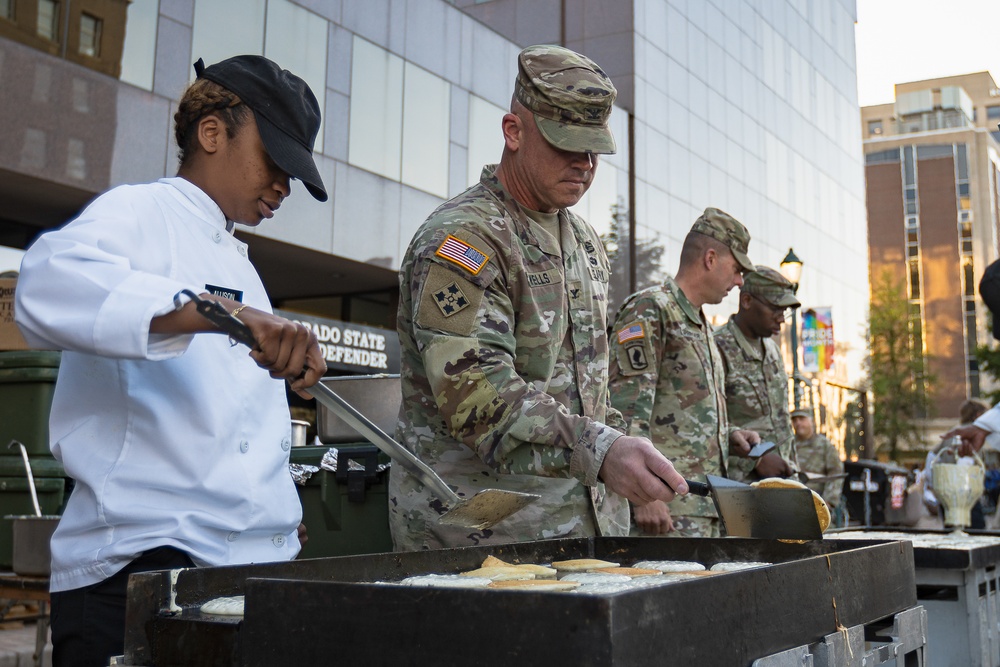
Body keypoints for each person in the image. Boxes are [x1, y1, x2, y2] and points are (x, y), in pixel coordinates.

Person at [15, 55, 328, 666]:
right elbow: (46, 283)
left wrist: (273, 514)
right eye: (276, 162)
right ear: (212, 133)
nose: (283, 187)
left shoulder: (243, 266)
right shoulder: (138, 212)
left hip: (245, 571)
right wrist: (223, 315)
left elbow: (223, 428)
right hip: (141, 568)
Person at [389, 45, 688, 552]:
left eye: (594, 148)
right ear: (513, 131)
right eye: (566, 144)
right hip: (484, 543)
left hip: (585, 534)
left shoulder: (585, 241)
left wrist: (628, 460)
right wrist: (602, 451)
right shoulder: (465, 241)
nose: (584, 164)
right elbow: (477, 400)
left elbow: (592, 390)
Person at [607, 209, 761, 537]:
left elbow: (685, 411)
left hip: (702, 509)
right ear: (710, 258)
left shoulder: (702, 325)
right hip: (663, 513)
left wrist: (728, 434)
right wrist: (642, 497)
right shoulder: (651, 309)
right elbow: (624, 410)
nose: (739, 282)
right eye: (736, 270)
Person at [714, 265, 799, 482]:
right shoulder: (716, 347)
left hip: (783, 481)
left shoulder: (773, 351)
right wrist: (757, 459)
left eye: (785, 311)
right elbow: (706, 420)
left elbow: (782, 420)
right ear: (747, 301)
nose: (781, 318)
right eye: (775, 309)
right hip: (739, 486)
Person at [790, 408, 844, 509]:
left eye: (802, 419)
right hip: (791, 502)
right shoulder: (789, 445)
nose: (798, 423)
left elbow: (836, 473)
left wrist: (828, 502)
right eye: (794, 420)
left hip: (816, 501)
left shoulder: (824, 445)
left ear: (812, 421)